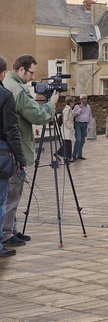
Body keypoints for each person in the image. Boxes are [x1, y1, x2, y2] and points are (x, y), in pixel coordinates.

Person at [3, 54, 58, 249]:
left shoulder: (10, 84)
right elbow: (37, 114)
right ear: (21, 70)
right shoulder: (17, 89)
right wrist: (51, 104)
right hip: (16, 150)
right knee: (12, 193)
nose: (33, 77)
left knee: (12, 193)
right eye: (31, 72)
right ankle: (6, 234)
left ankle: (11, 229)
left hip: (11, 149)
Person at [0, 56, 26, 258]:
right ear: (2, 73)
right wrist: (21, 158)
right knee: (1, 201)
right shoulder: (5, 95)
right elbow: (11, 130)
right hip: (1, 154)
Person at [72, 93, 92, 160]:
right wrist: (80, 109)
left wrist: (90, 125)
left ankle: (79, 155)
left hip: (85, 124)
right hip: (78, 124)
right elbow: (74, 114)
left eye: (86, 98)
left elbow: (90, 116)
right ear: (81, 99)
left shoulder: (88, 106)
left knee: (82, 140)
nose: (85, 100)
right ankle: (74, 154)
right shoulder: (77, 106)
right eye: (84, 98)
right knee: (78, 139)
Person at [59, 96, 75, 162]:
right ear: (70, 102)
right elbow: (65, 120)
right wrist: (69, 127)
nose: (74, 103)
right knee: (67, 143)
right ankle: (67, 157)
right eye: (73, 102)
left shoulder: (70, 109)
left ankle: (65, 156)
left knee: (68, 143)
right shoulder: (67, 110)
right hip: (66, 128)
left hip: (69, 128)